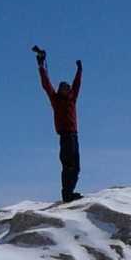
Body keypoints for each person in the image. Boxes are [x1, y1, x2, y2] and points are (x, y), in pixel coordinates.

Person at [35, 48, 83, 202]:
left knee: (76, 167)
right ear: (60, 89)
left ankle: (70, 191)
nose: (66, 88)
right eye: (63, 87)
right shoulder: (56, 99)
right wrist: (41, 66)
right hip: (65, 136)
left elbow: (77, 85)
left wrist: (79, 70)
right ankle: (67, 194)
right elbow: (46, 84)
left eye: (67, 87)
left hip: (74, 136)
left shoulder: (72, 99)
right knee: (68, 165)